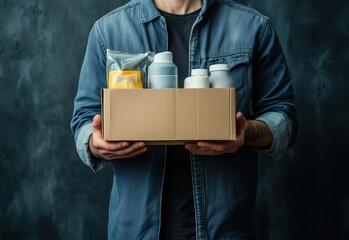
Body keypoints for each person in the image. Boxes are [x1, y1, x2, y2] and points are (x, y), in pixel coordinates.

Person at [71, 0, 297, 239]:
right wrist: (95, 143)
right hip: (135, 230)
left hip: (225, 230)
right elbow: (84, 120)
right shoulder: (108, 31)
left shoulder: (254, 27)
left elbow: (285, 120)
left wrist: (248, 132)